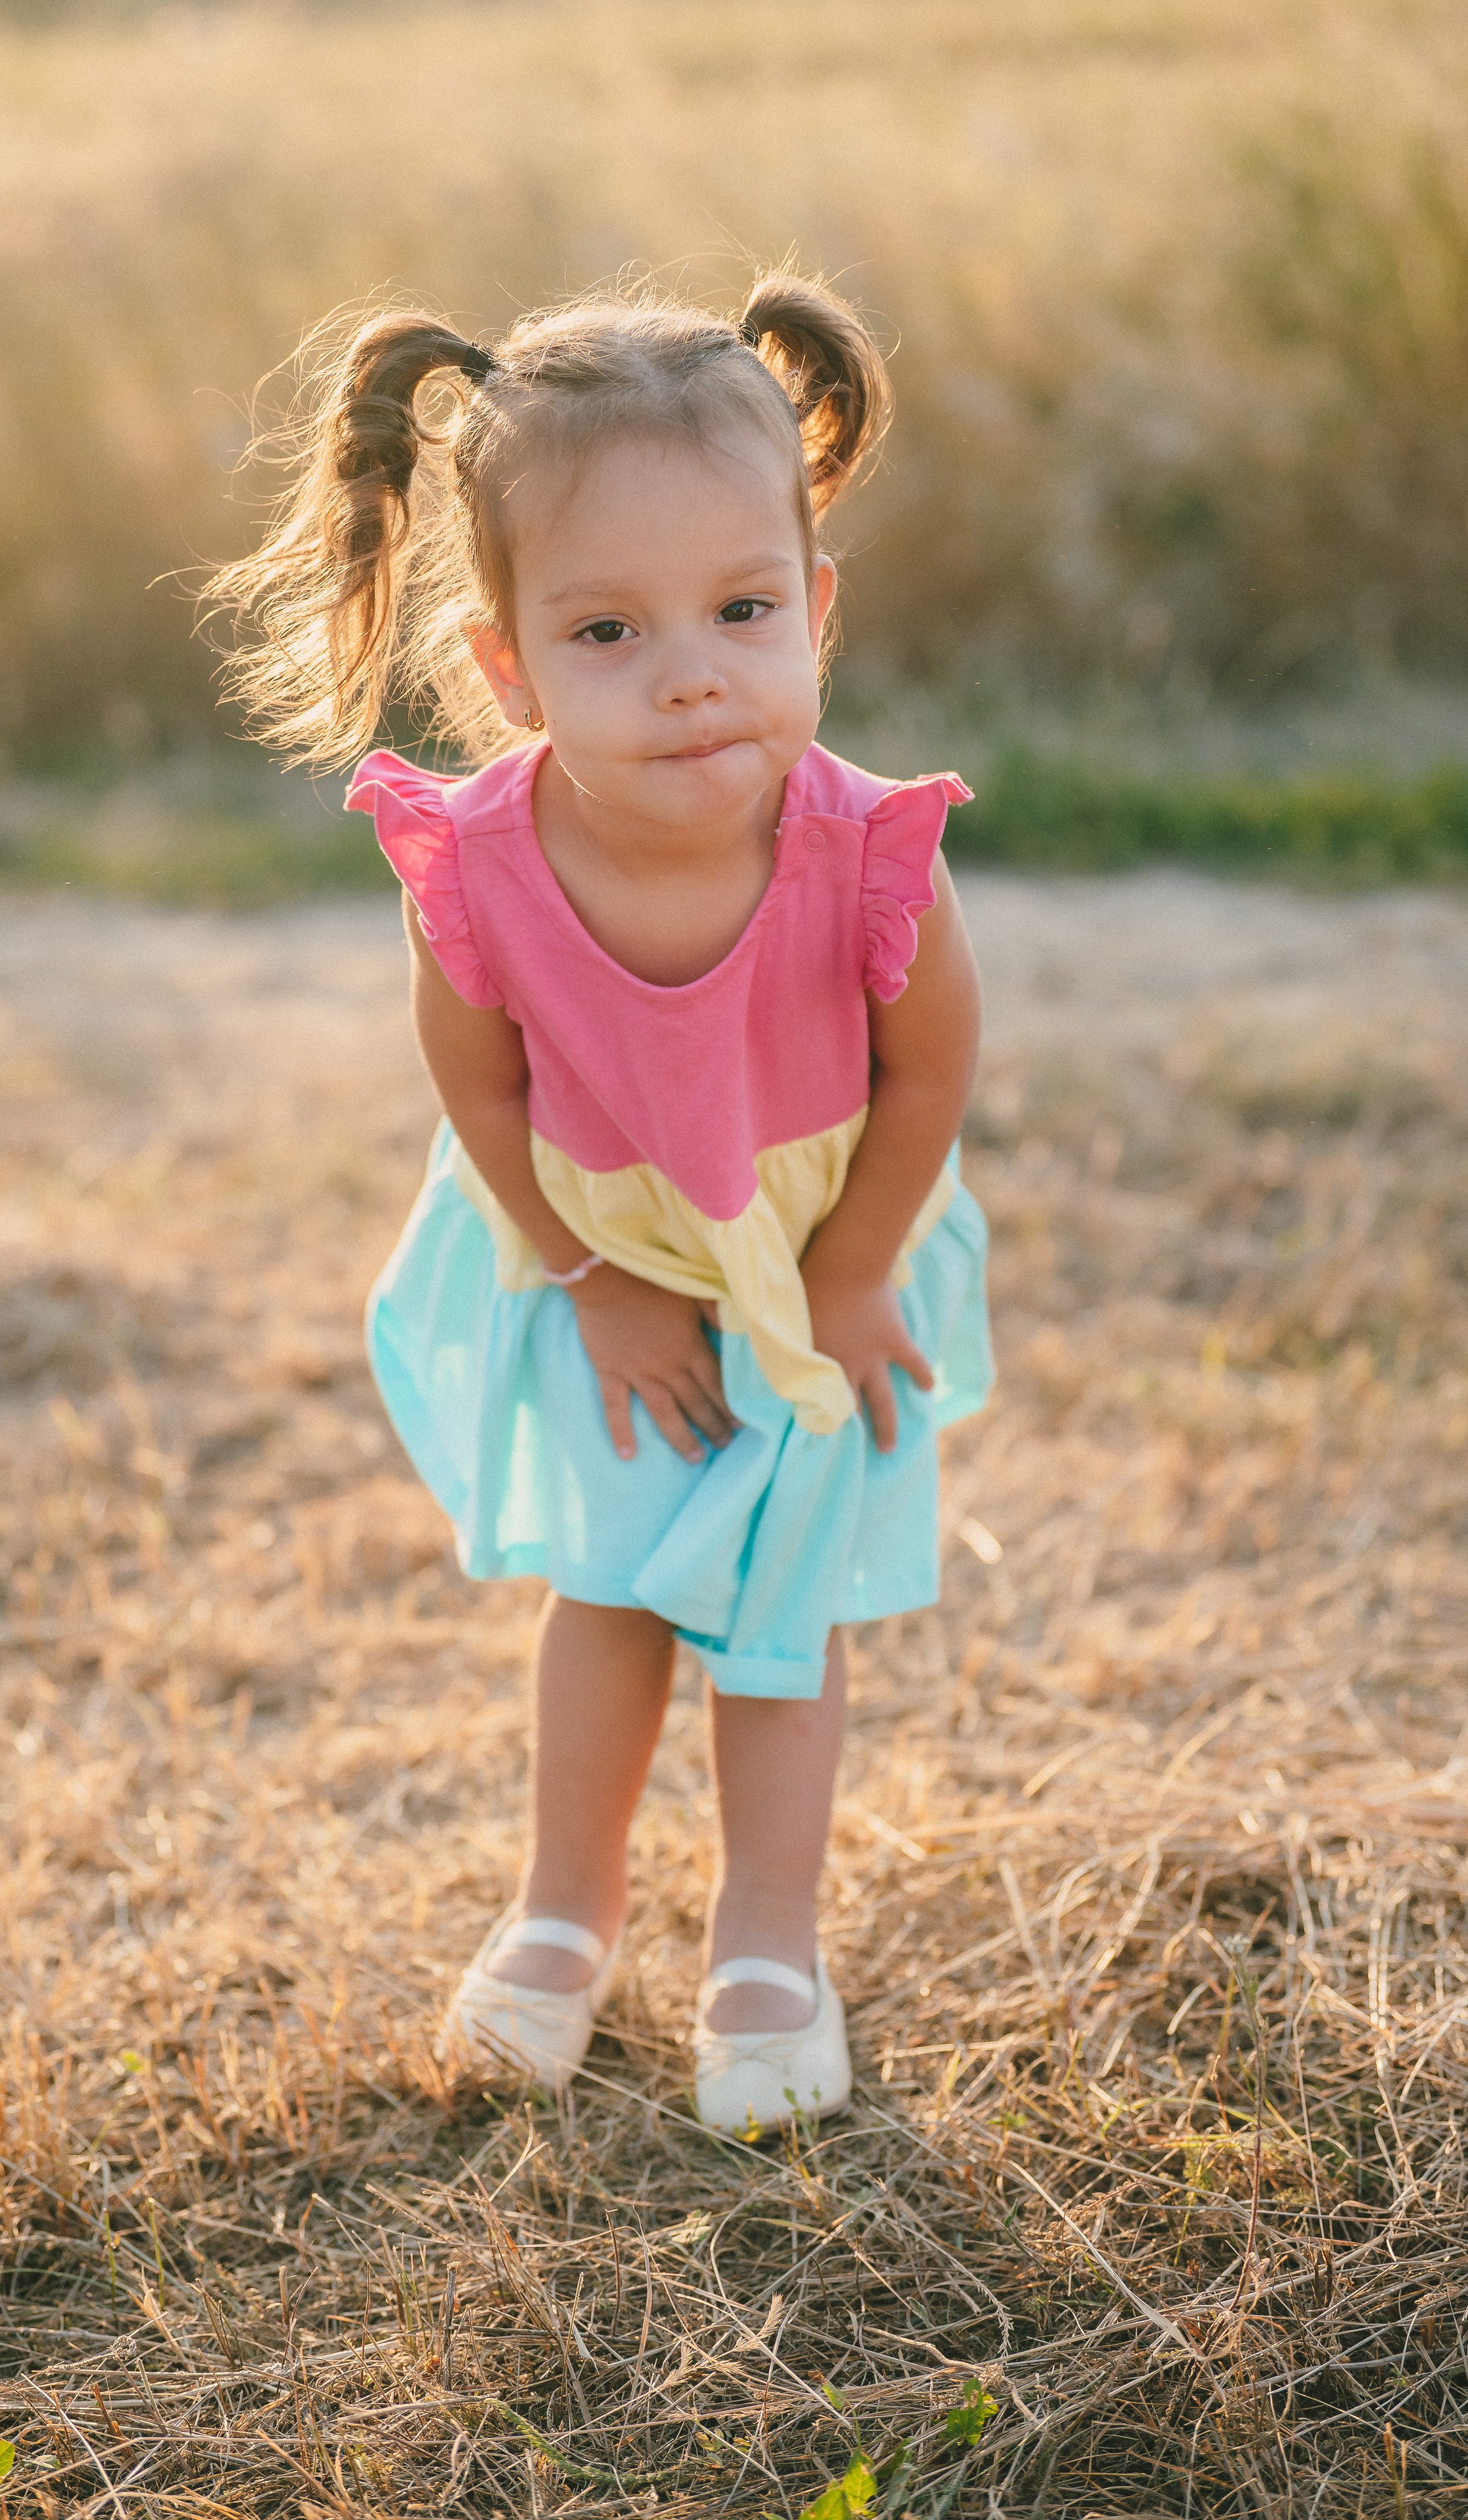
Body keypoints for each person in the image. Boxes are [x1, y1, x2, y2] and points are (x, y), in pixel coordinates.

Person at [206, 272, 992, 2134]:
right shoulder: (474, 872)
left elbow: (935, 1077)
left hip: (828, 1254)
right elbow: (478, 1083)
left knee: (780, 1613)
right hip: (607, 1260)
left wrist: (859, 1270)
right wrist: (588, 1284)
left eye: (742, 607)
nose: (691, 670)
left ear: (817, 608)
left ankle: (767, 1944)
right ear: (508, 670)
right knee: (618, 1584)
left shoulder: (868, 852)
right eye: (609, 630)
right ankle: (568, 1908)